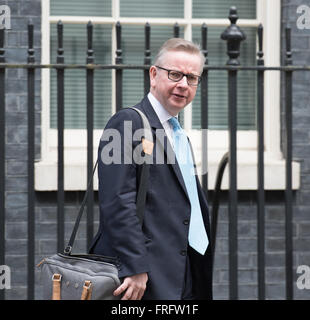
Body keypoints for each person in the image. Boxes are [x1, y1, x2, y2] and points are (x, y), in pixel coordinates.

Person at [89, 38, 213, 300]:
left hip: (184, 270)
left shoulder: (180, 136)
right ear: (154, 75)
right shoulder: (127, 122)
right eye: (175, 74)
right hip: (143, 277)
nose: (183, 84)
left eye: (191, 78)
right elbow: (116, 201)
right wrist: (134, 266)